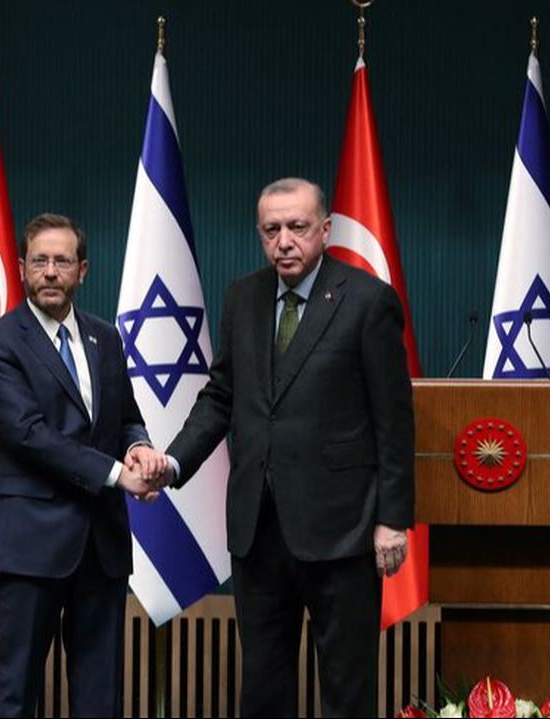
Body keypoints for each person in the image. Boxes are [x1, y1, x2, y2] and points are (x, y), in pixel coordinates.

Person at [162, 178, 415, 717]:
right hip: (259, 531)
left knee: (347, 691)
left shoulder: (368, 301)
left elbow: (394, 421)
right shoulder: (243, 297)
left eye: (297, 228)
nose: (284, 241)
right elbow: (221, 396)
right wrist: (173, 459)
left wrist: (394, 518)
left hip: (342, 531)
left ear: (324, 230)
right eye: (271, 229)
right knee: (263, 688)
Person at [0, 212, 168, 718]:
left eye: (62, 261)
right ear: (20, 268)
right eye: (40, 261)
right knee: (16, 693)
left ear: (84, 270)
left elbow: (125, 417)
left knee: (100, 696)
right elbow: (28, 434)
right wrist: (116, 474)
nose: (51, 272)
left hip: (100, 544)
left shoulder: (106, 338)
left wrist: (139, 447)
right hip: (28, 543)